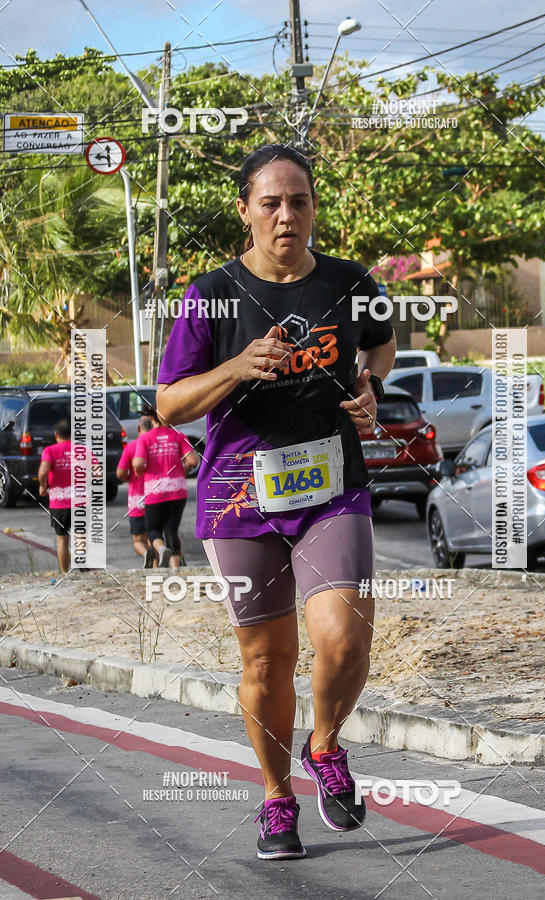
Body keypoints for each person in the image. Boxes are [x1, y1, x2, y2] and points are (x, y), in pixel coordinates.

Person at [156, 144, 396, 860]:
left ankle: (323, 746)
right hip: (239, 497)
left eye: (299, 201)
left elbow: (380, 345)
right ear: (245, 210)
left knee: (346, 632)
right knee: (265, 662)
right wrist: (235, 366)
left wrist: (368, 385)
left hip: (332, 486)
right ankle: (275, 798)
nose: (287, 215)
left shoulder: (352, 283)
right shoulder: (211, 294)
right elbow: (169, 402)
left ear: (314, 207)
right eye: (271, 202)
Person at [132, 407, 199, 569]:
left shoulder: (145, 438)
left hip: (155, 491)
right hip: (178, 490)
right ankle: (175, 568)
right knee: (172, 528)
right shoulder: (178, 436)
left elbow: (138, 463)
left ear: (152, 419)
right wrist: (182, 471)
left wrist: (140, 470)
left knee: (153, 528)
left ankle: (162, 550)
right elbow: (193, 460)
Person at [117, 415, 154, 568]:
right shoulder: (157, 444)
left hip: (137, 500)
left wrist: (127, 477)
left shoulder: (132, 447)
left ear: (139, 429)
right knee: (155, 536)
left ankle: (145, 554)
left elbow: (120, 473)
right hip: (156, 498)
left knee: (138, 540)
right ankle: (158, 568)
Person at [38, 418, 73, 573]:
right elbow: (97, 471)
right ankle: (84, 569)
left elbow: (44, 471)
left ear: (56, 434)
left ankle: (65, 573)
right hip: (80, 501)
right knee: (81, 536)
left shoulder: (50, 451)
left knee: (62, 540)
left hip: (59, 503)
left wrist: (43, 486)